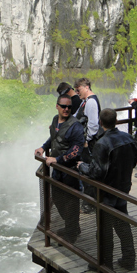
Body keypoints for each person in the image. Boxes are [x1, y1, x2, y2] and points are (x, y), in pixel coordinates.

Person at [78, 108, 137, 271]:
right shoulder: (128, 138)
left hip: (106, 191)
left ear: (101, 122)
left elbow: (96, 172)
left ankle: (105, 263)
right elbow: (134, 160)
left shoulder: (102, 143)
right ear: (116, 121)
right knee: (122, 222)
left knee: (104, 227)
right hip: (123, 187)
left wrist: (82, 166)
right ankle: (129, 259)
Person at [34, 94, 84, 243]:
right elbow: (54, 137)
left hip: (70, 170)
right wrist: (43, 147)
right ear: (57, 106)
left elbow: (77, 150)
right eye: (63, 106)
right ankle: (72, 226)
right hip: (57, 168)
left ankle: (71, 233)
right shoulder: (56, 120)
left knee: (71, 202)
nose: (66, 109)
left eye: (69, 107)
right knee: (57, 197)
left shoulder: (76, 126)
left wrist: (57, 159)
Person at [74, 77, 102, 213]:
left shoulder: (90, 103)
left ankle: (90, 202)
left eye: (78, 90)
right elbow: (76, 116)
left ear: (86, 87)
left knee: (88, 171)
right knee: (86, 169)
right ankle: (89, 200)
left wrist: (87, 140)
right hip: (86, 142)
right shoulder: (85, 102)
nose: (77, 92)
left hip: (89, 144)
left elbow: (93, 124)